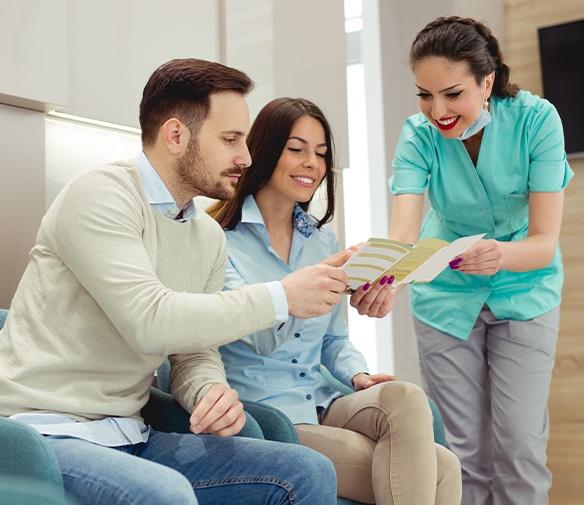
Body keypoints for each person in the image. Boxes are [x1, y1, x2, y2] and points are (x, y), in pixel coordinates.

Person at [0, 58, 350, 505]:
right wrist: (282, 296)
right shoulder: (99, 196)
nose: (245, 157)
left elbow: (192, 350)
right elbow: (150, 320)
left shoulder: (204, 234)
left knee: (305, 470)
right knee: (165, 494)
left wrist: (208, 389)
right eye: (230, 140)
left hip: (133, 432)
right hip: (46, 434)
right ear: (176, 135)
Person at [208, 97, 462, 505]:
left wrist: (358, 375)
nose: (312, 162)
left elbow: (333, 340)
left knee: (408, 398)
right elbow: (259, 338)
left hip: (325, 401)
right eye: (297, 149)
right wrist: (310, 282)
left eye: (321, 153)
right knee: (441, 470)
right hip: (270, 416)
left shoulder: (321, 239)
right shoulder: (217, 240)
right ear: (265, 150)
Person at [383, 16, 574, 505]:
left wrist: (499, 254)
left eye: (452, 94)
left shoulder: (537, 121)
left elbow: (544, 243)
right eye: (424, 95)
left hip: (524, 290)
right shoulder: (418, 135)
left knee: (520, 448)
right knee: (461, 454)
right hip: (445, 296)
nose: (437, 111)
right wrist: (383, 277)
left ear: (486, 81)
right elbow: (403, 233)